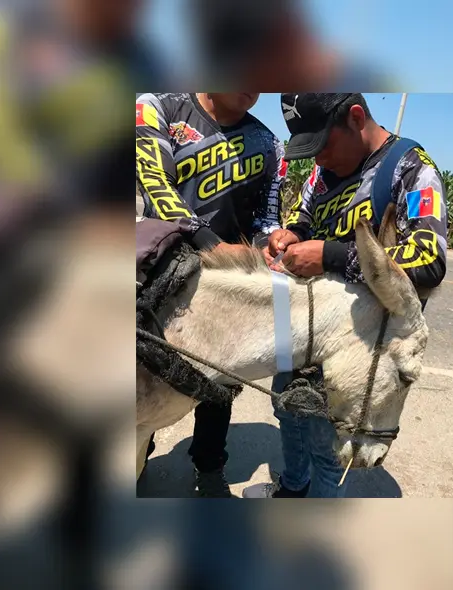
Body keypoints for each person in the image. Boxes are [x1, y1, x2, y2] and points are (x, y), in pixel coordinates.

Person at [243, 93, 447, 498]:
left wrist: (331, 256)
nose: (317, 158)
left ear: (355, 118)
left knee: (326, 445)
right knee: (287, 408)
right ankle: (292, 488)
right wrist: (291, 235)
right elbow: (303, 216)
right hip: (305, 328)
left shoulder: (411, 169)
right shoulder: (323, 173)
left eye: (323, 145)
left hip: (358, 343)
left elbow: (429, 260)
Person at [137, 92, 286, 497]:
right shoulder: (158, 107)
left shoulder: (269, 144)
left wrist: (270, 244)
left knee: (219, 385)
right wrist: (212, 244)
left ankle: (209, 467)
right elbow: (155, 185)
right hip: (158, 274)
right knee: (142, 376)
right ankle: (138, 457)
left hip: (225, 286)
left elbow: (267, 218)